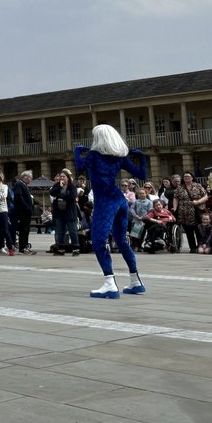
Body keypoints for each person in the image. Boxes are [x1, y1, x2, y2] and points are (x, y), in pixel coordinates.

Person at [74, 124, 148, 298]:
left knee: (98, 240)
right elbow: (142, 175)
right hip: (120, 201)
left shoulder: (93, 155)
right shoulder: (119, 157)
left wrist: (77, 151)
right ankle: (136, 281)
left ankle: (109, 283)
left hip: (105, 202)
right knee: (121, 240)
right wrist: (142, 158)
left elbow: (79, 167)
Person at [172, 172, 208, 254]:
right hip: (184, 212)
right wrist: (175, 208)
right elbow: (176, 198)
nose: (186, 178)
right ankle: (192, 247)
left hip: (196, 211)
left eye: (188, 176)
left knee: (198, 230)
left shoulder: (198, 186)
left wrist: (198, 202)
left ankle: (200, 246)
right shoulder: (180, 187)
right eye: (185, 177)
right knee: (188, 231)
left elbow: (205, 196)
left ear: (192, 177)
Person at [49, 169, 80, 256]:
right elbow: (51, 192)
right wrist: (59, 186)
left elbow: (72, 196)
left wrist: (61, 196)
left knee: (72, 231)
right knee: (60, 232)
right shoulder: (57, 185)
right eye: (60, 177)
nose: (61, 178)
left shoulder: (71, 186)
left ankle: (76, 249)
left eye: (63, 177)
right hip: (59, 213)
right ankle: (61, 249)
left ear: (68, 178)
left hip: (69, 213)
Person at [10, 171, 36, 254]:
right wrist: (27, 207)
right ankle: (22, 247)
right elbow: (19, 197)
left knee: (26, 229)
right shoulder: (19, 184)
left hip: (26, 212)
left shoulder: (24, 185)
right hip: (23, 212)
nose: (31, 180)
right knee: (23, 229)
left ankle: (25, 245)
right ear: (25, 177)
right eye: (30, 178)